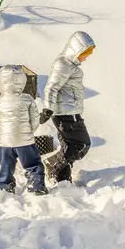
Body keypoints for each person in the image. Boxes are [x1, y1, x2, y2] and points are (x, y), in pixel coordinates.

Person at [40, 31, 95, 183]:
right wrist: (48, 108)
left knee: (69, 146)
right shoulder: (63, 65)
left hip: (70, 111)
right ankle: (52, 164)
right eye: (85, 52)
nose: (87, 56)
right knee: (81, 145)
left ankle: (63, 179)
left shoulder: (70, 65)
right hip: (65, 113)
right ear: (76, 50)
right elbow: (51, 87)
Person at [0, 65, 48, 195]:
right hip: (24, 141)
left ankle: (5, 187)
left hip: (3, 142)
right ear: (22, 81)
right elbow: (35, 120)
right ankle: (37, 187)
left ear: (1, 81)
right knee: (33, 164)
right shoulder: (27, 99)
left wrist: (4, 131)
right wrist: (28, 132)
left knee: (6, 166)